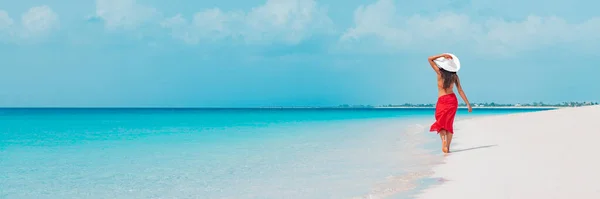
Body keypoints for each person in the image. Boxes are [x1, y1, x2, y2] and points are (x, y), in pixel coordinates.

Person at [427, 53, 472, 153]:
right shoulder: (454, 76)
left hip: (442, 100)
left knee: (441, 123)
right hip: (452, 100)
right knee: (449, 124)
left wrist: (443, 55)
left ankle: (443, 140)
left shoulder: (439, 73)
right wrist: (467, 104)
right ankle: (448, 147)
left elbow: (430, 59)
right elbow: (460, 90)